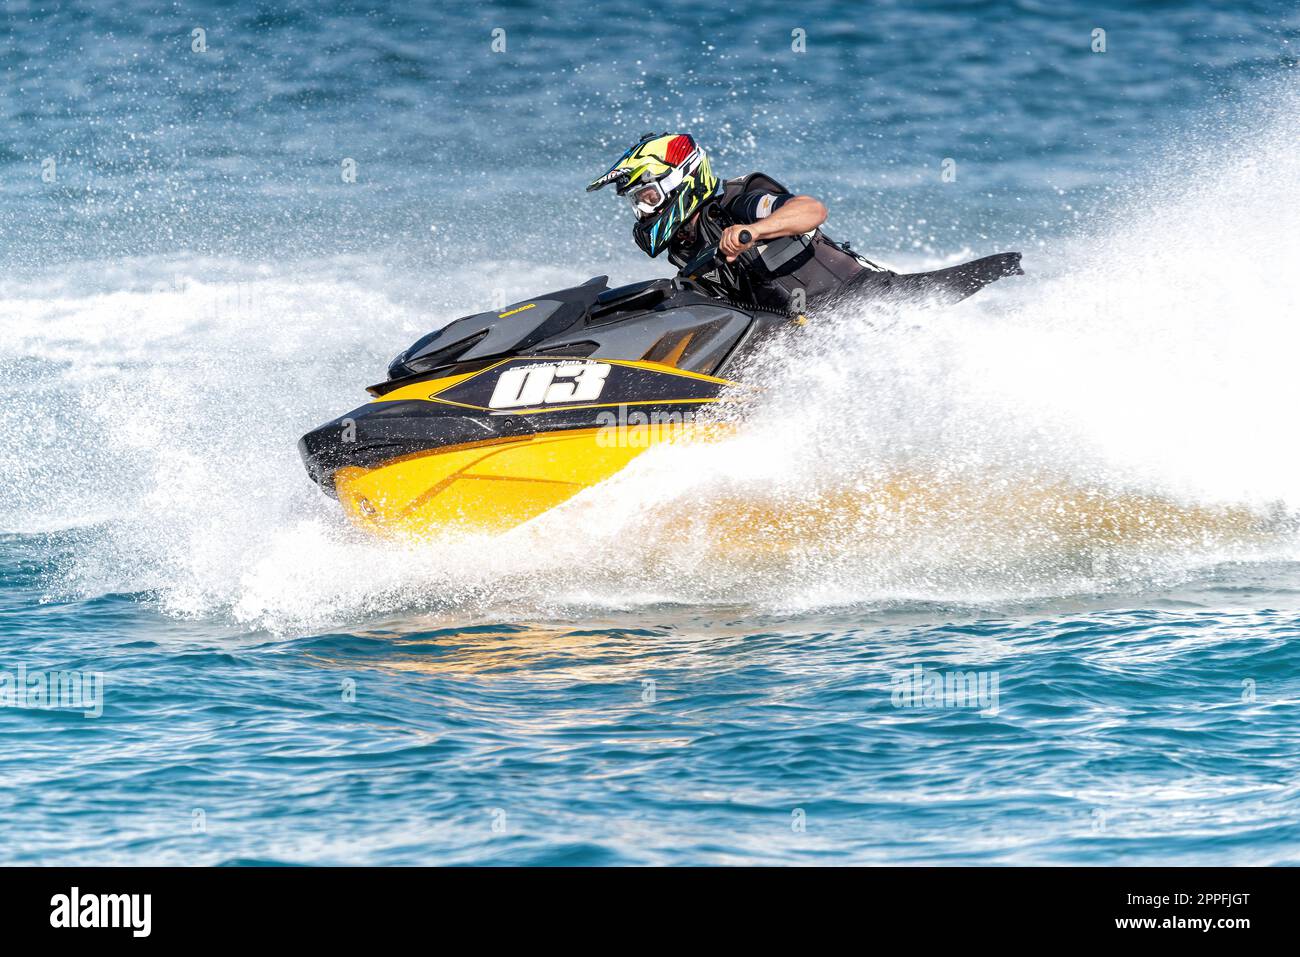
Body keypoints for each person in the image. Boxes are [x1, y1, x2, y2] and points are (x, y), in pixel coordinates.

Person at [587, 131, 1022, 315]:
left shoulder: (738, 201)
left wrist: (751, 233)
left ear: (679, 181)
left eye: (646, 197)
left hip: (863, 302)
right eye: (637, 203)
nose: (644, 211)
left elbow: (810, 210)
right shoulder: (684, 247)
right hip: (795, 330)